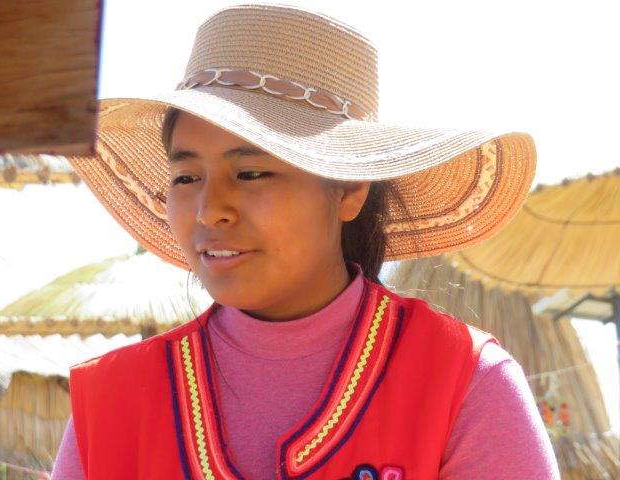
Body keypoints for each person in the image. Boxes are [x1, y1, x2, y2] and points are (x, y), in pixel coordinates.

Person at [51, 3, 560, 479]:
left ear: (349, 189)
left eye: (250, 173)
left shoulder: (464, 383)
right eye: (186, 178)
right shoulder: (109, 406)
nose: (209, 210)